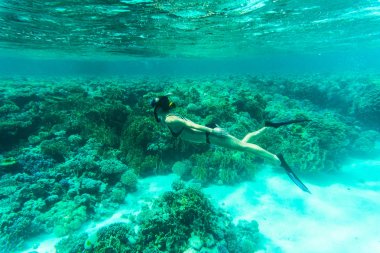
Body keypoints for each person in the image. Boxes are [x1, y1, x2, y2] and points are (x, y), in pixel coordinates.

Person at [151, 95, 311, 193]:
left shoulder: (171, 119)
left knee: (243, 147)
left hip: (210, 135)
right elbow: (165, 115)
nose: (154, 110)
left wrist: (213, 132)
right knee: (242, 144)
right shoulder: (168, 116)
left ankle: (277, 159)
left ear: (159, 108)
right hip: (209, 134)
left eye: (155, 107)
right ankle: (267, 127)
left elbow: (193, 126)